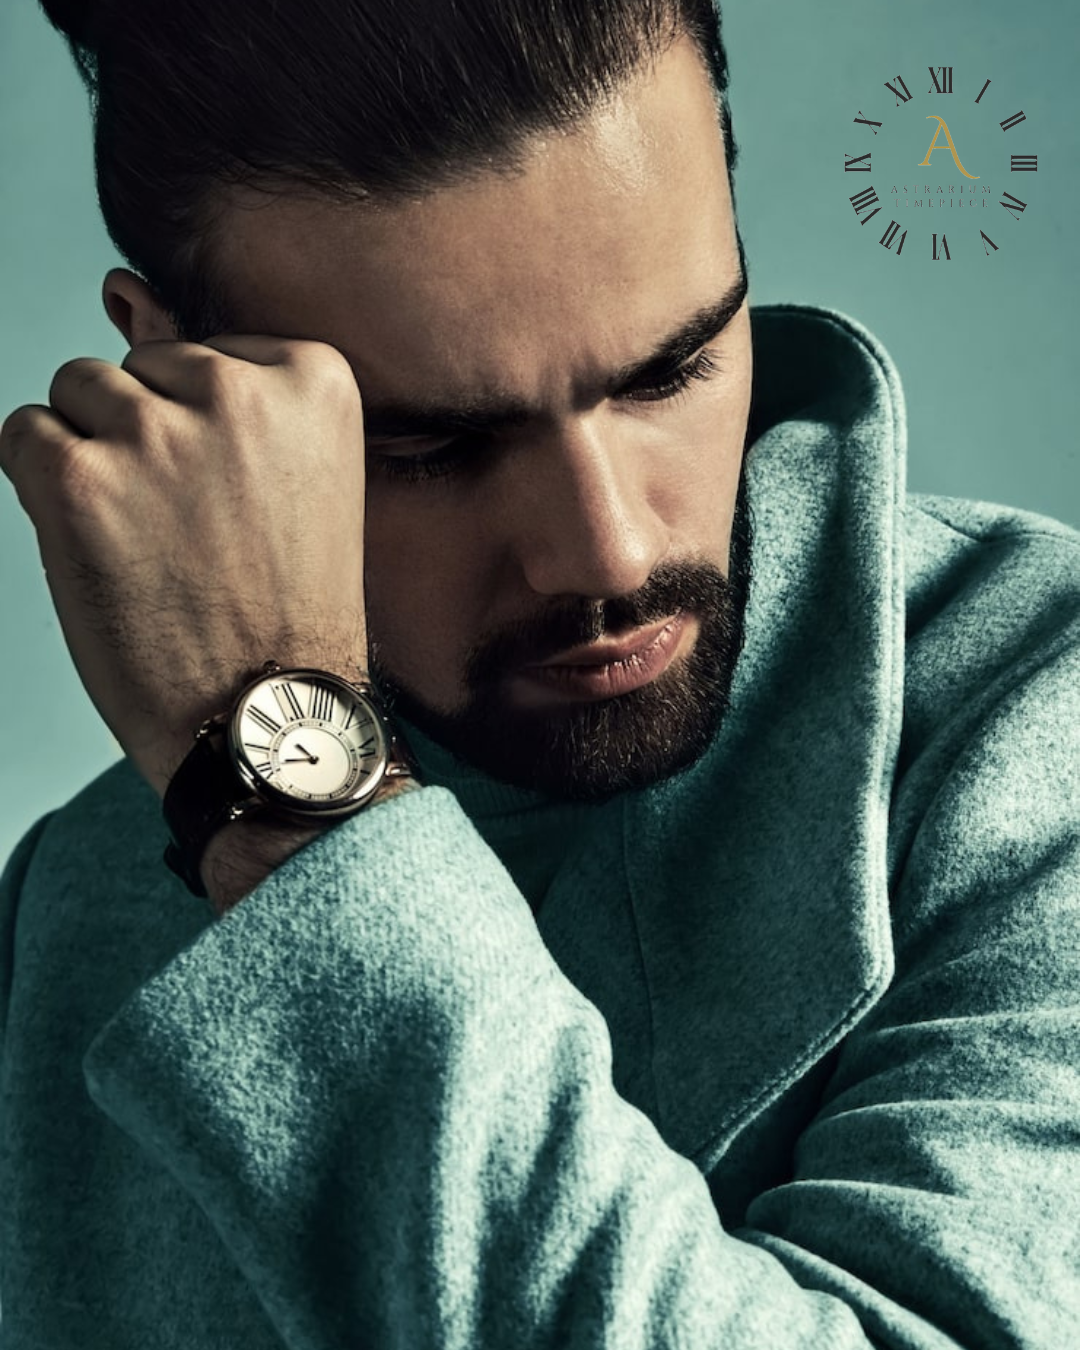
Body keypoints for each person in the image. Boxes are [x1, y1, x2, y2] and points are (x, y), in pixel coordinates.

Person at [1, 0, 1077, 1345]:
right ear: (175, 376)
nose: (607, 551)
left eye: (672, 369)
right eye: (434, 450)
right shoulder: (74, 905)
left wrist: (290, 815)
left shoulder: (1031, 711)